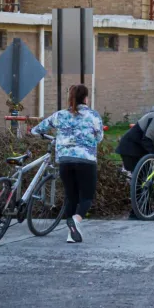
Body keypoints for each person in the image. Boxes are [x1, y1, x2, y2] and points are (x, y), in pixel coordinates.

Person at [31, 84, 103, 244]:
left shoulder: (60, 115)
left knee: (71, 197)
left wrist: (49, 137)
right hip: (86, 161)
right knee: (86, 197)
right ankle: (76, 220)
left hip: (64, 160)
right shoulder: (93, 115)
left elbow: (36, 130)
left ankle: (71, 235)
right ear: (85, 98)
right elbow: (99, 138)